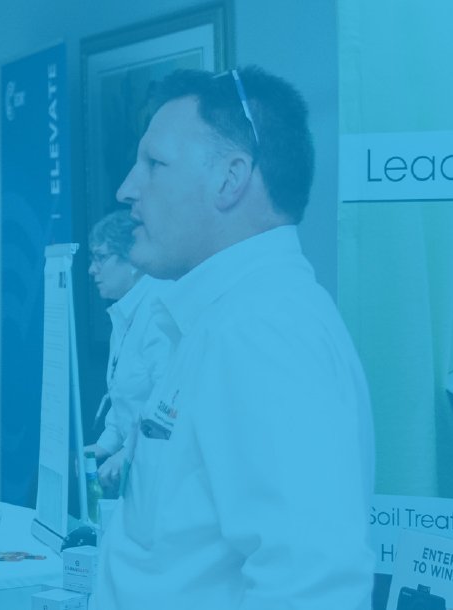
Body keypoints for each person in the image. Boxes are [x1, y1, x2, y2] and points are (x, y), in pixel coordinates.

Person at [94, 66, 374, 608]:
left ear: (230, 179)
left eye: (155, 164)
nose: (127, 189)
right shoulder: (226, 320)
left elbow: (312, 587)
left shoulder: (264, 330)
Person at [81, 210, 170, 494]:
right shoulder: (125, 313)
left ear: (132, 260)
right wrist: (106, 445)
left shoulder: (159, 310)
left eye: (100, 257)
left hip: (161, 466)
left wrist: (127, 452)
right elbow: (124, 398)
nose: (92, 269)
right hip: (138, 463)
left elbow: (166, 400)